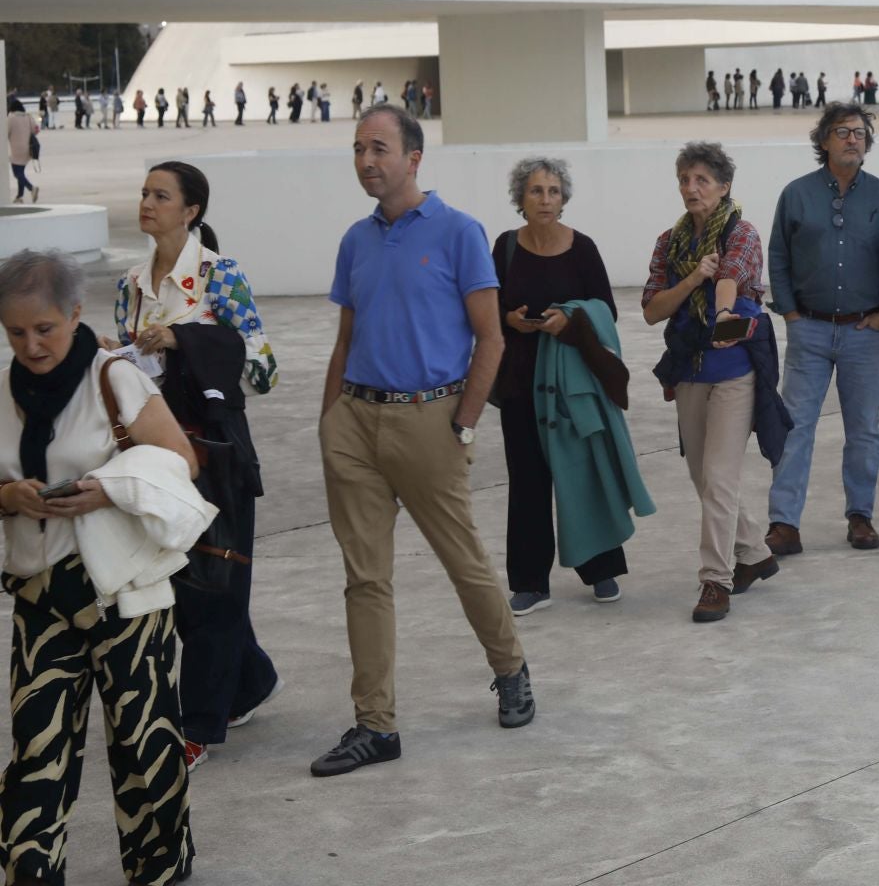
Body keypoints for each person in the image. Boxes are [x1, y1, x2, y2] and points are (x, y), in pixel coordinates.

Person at [310, 104, 531, 778]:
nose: (366, 160)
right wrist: (329, 423)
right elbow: (346, 339)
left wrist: (463, 422)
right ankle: (375, 724)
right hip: (356, 423)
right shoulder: (356, 240)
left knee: (463, 561)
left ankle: (511, 667)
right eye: (357, 149)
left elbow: (490, 337)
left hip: (428, 422)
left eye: (379, 147)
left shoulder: (460, 233)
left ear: (413, 158)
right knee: (365, 579)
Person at [0, 248, 204, 885]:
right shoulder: (2, 391)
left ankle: (160, 869)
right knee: (36, 751)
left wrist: (109, 487)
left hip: (123, 592)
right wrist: (8, 495)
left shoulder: (113, 377)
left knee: (143, 745)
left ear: (75, 314)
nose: (32, 345)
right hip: (40, 592)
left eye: (45, 329)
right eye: (15, 332)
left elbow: (181, 460)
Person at [116, 161, 281, 772]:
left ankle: (199, 724)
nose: (147, 203)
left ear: (192, 211)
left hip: (216, 452)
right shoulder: (130, 284)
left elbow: (263, 368)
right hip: (155, 452)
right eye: (144, 193)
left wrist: (185, 340)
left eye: (161, 195)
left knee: (215, 586)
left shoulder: (220, 275)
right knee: (185, 587)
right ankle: (252, 679)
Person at [493, 157, 646, 616]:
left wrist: (571, 320)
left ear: (564, 199)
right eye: (536, 191)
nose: (545, 199)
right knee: (528, 482)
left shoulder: (582, 249)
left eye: (553, 191)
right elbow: (487, 306)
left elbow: (607, 312)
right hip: (521, 383)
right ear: (520, 199)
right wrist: (510, 320)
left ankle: (601, 570)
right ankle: (529, 582)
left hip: (573, 383)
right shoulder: (504, 247)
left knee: (583, 472)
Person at [644, 142, 783, 622]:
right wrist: (688, 283)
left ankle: (714, 581)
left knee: (720, 477)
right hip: (688, 369)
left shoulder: (741, 233)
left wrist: (722, 310)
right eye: (685, 179)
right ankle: (755, 552)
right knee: (702, 476)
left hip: (734, 372)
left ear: (724, 187)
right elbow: (651, 309)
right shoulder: (670, 242)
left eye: (702, 179)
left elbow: (729, 278)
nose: (691, 188)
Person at [765, 102, 879, 555]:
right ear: (823, 141)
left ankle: (860, 516)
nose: (852, 139)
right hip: (810, 330)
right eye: (842, 132)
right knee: (796, 427)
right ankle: (784, 524)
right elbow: (778, 256)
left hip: (864, 331)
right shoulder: (797, 194)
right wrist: (790, 314)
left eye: (860, 133)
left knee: (864, 428)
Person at [8, 97, 39, 204]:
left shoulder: (11, 118)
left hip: (15, 150)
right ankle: (19, 196)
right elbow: (35, 130)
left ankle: (31, 188)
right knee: (20, 172)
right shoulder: (28, 116)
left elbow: (5, 133)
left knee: (17, 173)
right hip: (27, 149)